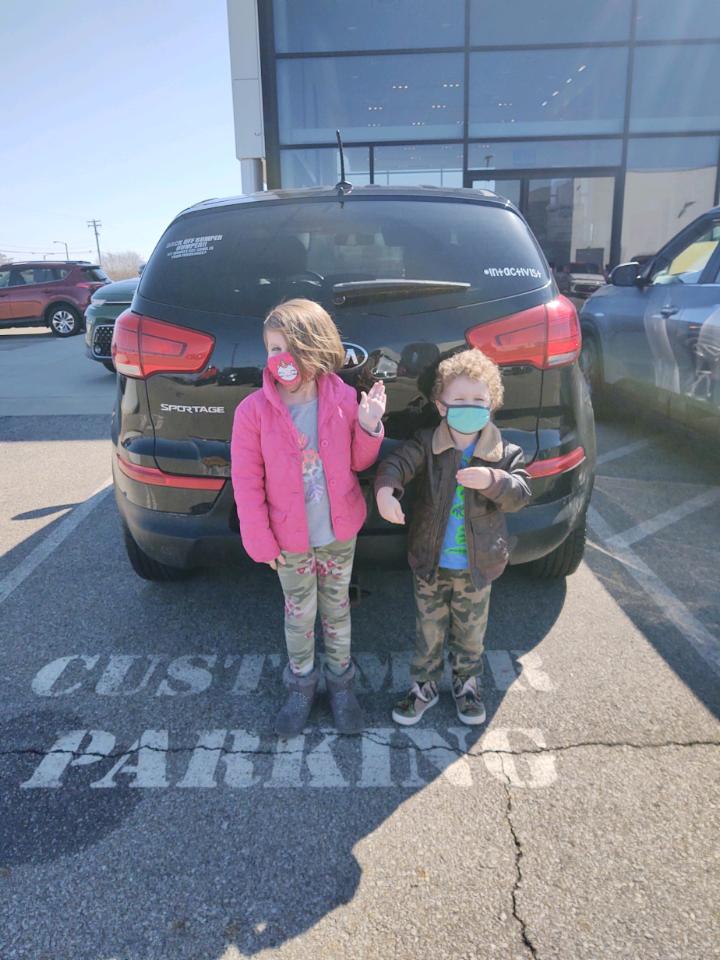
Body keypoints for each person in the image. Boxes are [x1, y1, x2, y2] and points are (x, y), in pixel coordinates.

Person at [231, 298, 386, 736]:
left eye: (288, 348)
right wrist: (259, 540)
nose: (279, 358)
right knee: (299, 615)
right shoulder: (252, 412)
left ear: (315, 349)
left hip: (338, 532)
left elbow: (358, 461)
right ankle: (301, 686)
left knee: (337, 611)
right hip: (288, 541)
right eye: (272, 349)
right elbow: (246, 481)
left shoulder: (341, 398)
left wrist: (369, 425)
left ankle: (341, 686)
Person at [374, 348, 531, 726]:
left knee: (471, 633)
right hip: (431, 563)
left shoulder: (503, 452)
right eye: (459, 400)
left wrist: (494, 480)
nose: (469, 407)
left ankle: (467, 684)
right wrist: (386, 490)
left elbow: (521, 493)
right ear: (441, 406)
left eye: (478, 399)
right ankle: (423, 687)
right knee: (428, 632)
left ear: (492, 404)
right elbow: (397, 463)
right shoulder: (428, 443)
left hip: (478, 566)